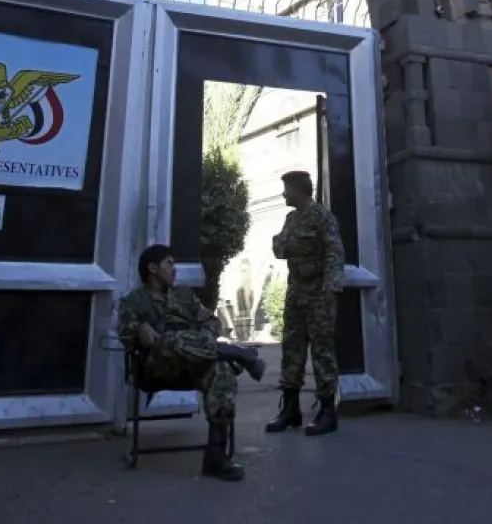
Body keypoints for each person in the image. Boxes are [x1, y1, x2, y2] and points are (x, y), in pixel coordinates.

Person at [117, 244, 266, 481]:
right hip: (156, 368)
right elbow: (125, 334)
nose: (174, 269)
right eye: (169, 263)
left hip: (193, 363)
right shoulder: (133, 302)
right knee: (170, 340)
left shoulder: (184, 295)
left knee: (221, 370)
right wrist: (138, 328)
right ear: (152, 268)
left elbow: (212, 322)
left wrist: (203, 339)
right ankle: (236, 353)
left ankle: (216, 456)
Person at [265, 169, 345, 437]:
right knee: (292, 348)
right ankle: (290, 410)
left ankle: (327, 412)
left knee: (322, 351)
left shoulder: (322, 217)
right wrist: (289, 246)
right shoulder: (292, 218)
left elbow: (334, 252)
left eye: (287, 189)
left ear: (300, 189)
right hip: (296, 292)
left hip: (319, 293)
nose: (283, 194)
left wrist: (331, 288)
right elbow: (278, 248)